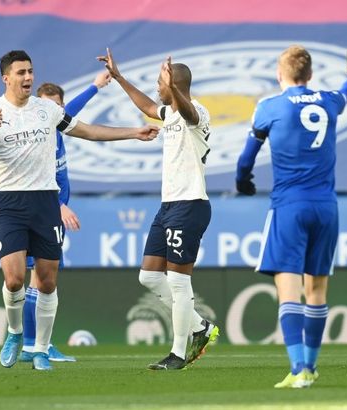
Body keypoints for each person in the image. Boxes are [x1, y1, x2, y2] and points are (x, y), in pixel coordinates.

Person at [0, 50, 158, 371]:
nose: (28, 77)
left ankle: (40, 350)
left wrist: (132, 132)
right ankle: (14, 332)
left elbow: (88, 130)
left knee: (46, 281)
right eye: (21, 72)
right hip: (10, 203)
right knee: (14, 280)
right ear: (6, 78)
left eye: (30, 71)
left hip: (45, 202)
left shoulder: (47, 111)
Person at [235, 46, 347, 388]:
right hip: (326, 207)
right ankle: (311, 366)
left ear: (280, 75)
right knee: (316, 289)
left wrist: (243, 182)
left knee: (288, 288)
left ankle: (297, 370)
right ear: (310, 75)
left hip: (290, 206)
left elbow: (246, 159)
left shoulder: (269, 107)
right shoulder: (329, 101)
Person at [98, 48, 219, 371]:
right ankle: (200, 327)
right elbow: (147, 107)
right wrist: (119, 77)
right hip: (168, 206)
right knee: (150, 276)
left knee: (179, 282)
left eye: (160, 83)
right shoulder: (170, 114)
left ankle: (178, 354)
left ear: (174, 84)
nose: (157, 88)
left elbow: (188, 112)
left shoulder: (197, 112)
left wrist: (174, 88)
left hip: (190, 204)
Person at [19, 72, 112, 363]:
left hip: (50, 215)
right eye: (47, 106)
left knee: (38, 281)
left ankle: (32, 346)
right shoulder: (37, 139)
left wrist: (96, 86)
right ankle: (36, 345)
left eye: (57, 106)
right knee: (40, 281)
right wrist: (59, 205)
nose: (53, 111)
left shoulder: (58, 125)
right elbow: (36, 178)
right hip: (42, 212)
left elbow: (73, 108)